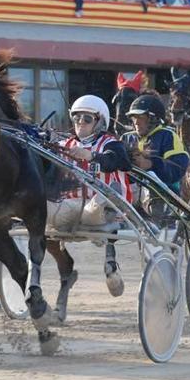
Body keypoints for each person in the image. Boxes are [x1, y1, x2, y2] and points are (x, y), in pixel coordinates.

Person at [48, 95, 132, 297]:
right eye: (76, 118)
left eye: (86, 119)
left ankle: (111, 262)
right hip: (69, 207)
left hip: (101, 209)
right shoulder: (64, 144)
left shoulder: (110, 143)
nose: (80, 123)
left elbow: (121, 162)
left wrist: (91, 156)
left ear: (99, 121)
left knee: (99, 204)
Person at [121, 94, 190, 194]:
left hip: (163, 195)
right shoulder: (126, 138)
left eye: (141, 117)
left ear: (154, 119)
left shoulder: (167, 135)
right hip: (132, 193)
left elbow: (177, 169)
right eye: (134, 118)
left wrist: (151, 164)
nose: (136, 122)